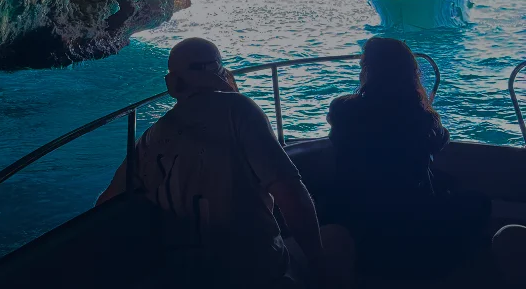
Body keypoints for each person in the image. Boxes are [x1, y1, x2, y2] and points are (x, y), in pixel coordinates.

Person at [97, 38, 354, 288]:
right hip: (255, 273)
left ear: (172, 82)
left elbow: (105, 204)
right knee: (337, 237)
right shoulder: (239, 109)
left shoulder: (150, 136)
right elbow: (289, 192)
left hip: (184, 276)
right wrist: (319, 262)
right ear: (220, 72)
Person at [323, 37, 490, 279]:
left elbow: (338, 131)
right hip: (409, 222)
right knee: (479, 202)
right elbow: (441, 140)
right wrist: (425, 105)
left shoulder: (343, 109)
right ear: (409, 73)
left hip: (355, 217)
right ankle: (440, 267)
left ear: (368, 70)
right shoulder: (420, 118)